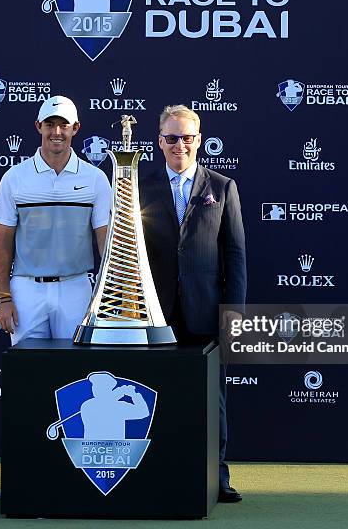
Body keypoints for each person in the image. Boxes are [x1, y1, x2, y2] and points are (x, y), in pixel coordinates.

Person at [139, 104, 247, 503]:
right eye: (171, 138)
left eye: (186, 137)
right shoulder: (138, 186)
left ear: (198, 140)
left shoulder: (222, 188)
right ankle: (157, 471)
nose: (179, 145)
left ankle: (217, 476)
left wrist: (233, 317)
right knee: (153, 396)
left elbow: (235, 256)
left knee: (211, 400)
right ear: (159, 141)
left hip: (207, 312)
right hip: (155, 315)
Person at [0, 95, 111, 345]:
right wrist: (3, 298)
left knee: (75, 372)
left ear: (75, 128)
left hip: (76, 288)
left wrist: (109, 297)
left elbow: (106, 241)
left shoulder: (96, 179)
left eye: (64, 125)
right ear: (38, 126)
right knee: (28, 371)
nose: (56, 132)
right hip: (26, 290)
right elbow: (3, 242)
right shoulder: (14, 178)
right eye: (50, 124)